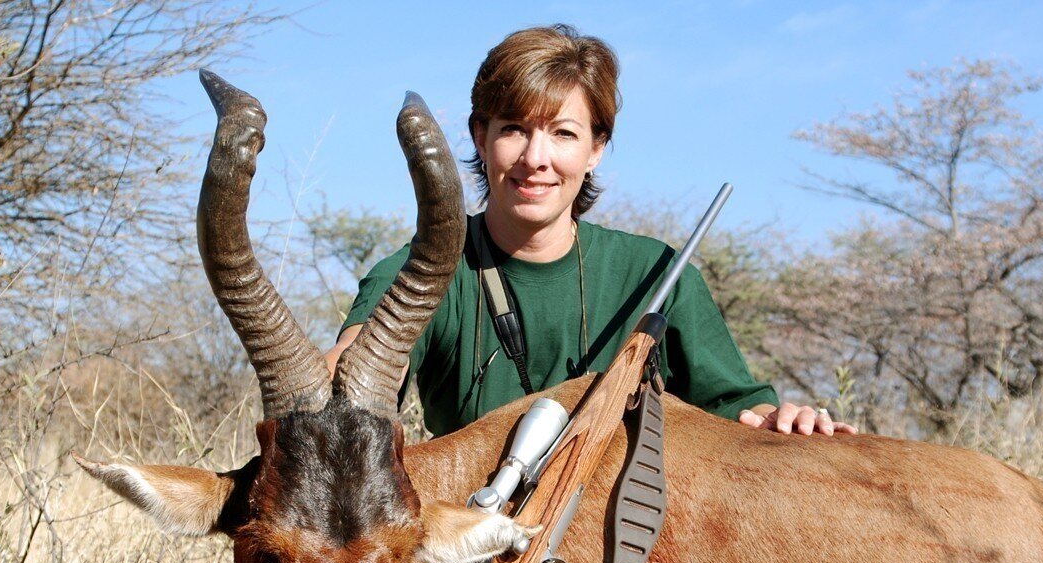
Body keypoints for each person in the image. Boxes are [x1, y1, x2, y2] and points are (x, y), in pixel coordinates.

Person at [324, 24, 856, 438]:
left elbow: (737, 409)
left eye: (563, 133)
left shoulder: (659, 275)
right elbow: (344, 385)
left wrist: (788, 422)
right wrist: (329, 384)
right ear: (480, 137)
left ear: (596, 148)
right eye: (513, 129)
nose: (537, 159)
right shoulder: (421, 271)